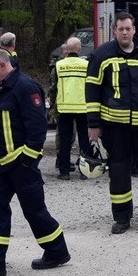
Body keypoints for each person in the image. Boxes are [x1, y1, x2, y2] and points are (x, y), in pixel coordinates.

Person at [0, 48, 70, 276]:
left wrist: (27, 161)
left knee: (34, 211)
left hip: (21, 165)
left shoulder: (25, 87)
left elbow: (37, 129)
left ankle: (57, 251)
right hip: (0, 164)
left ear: (2, 65)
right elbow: (0, 119)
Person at [85, 11, 138, 233]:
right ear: (114, 31)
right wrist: (93, 124)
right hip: (115, 127)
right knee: (119, 172)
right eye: (120, 29)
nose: (125, 32)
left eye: (128, 28)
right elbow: (92, 90)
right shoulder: (102, 55)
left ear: (135, 30)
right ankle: (122, 218)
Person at [51, 36, 91, 179]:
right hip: (83, 107)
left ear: (67, 49)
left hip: (64, 107)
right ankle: (85, 171)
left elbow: (53, 87)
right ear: (79, 49)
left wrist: (52, 105)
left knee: (65, 140)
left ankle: (64, 172)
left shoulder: (59, 65)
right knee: (84, 139)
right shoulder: (86, 64)